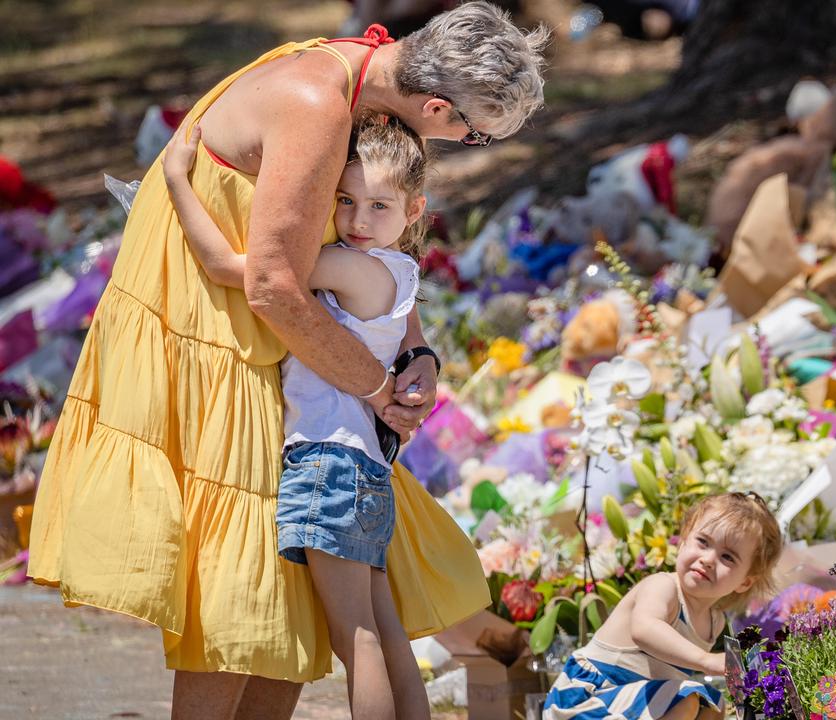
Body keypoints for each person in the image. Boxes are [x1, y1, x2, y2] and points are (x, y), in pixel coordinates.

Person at [27, 3, 548, 718]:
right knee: (240, 589)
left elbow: (364, 257)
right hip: (219, 340)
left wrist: (414, 345)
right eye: (471, 129)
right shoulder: (318, 106)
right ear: (436, 104)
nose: (463, 140)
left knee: (286, 595)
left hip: (278, 348)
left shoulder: (360, 76)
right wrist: (376, 387)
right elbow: (274, 283)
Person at [163, 116, 430, 719]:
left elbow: (240, 271)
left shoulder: (355, 267)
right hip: (364, 469)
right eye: (346, 200)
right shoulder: (401, 272)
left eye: (379, 206)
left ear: (413, 210)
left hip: (328, 463)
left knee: (355, 641)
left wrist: (179, 182)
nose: (360, 221)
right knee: (384, 634)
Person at [543, 492, 783, 720]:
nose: (708, 560)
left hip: (631, 702)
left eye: (727, 557)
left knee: (713, 704)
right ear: (683, 541)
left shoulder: (715, 621)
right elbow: (644, 629)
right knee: (687, 698)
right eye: (702, 542)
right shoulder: (664, 587)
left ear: (745, 582)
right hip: (589, 696)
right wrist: (706, 660)